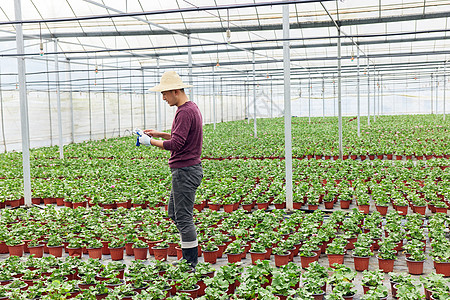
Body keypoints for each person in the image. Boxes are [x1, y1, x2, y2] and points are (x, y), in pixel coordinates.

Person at [143, 71, 203, 268]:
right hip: (185, 170)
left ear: (176, 91)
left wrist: (150, 142)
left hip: (186, 171)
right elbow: (182, 136)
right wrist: (159, 133)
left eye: (165, 94)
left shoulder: (185, 111)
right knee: (174, 213)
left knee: (184, 217)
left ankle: (190, 262)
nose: (163, 98)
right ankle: (189, 253)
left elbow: (177, 143)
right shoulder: (189, 108)